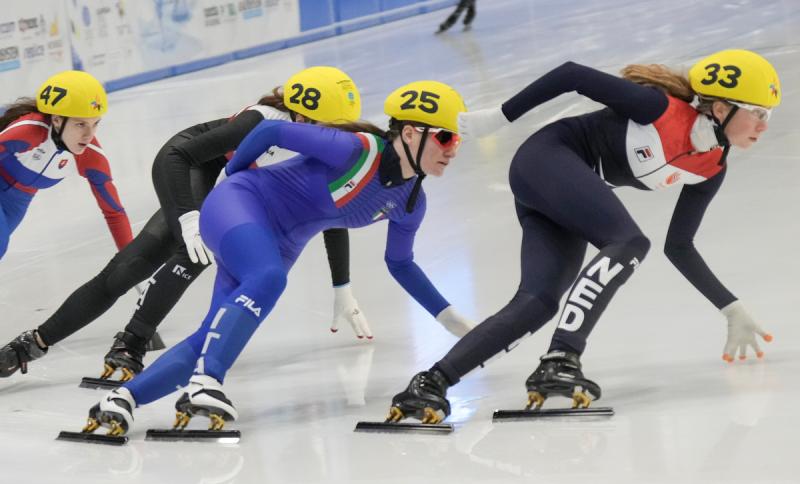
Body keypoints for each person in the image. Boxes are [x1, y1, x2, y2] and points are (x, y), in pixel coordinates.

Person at [387, 49, 780, 424]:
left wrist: (731, 308)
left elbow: (679, 246)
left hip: (560, 190)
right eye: (758, 113)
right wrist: (498, 117)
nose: (764, 125)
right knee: (629, 241)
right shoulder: (658, 109)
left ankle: (430, 383)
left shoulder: (712, 167)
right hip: (547, 157)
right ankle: (561, 358)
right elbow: (572, 74)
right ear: (722, 108)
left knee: (538, 302)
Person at [80, 79, 475, 437]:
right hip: (242, 204)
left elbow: (400, 263)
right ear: (410, 133)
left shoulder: (410, 202)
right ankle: (207, 382)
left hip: (282, 243)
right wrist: (235, 175)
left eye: (456, 141)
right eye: (445, 138)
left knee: (212, 335)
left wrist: (448, 317)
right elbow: (269, 131)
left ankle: (122, 399)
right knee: (268, 279)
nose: (452, 149)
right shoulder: (355, 149)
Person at [0, 66, 371, 380]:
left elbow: (327, 210)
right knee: (137, 266)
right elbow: (177, 154)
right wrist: (188, 215)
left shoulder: (325, 146)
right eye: (330, 127)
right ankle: (37, 345)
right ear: (302, 117)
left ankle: (129, 342)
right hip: (193, 168)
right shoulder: (262, 122)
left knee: (181, 255)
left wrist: (342, 285)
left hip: (233, 190)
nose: (335, 137)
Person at [0, 70, 134, 373]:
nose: (89, 134)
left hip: (16, 203)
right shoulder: (29, 130)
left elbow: (114, 211)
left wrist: (133, 261)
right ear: (57, 120)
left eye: (95, 124)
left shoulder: (90, 154)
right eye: (80, 124)